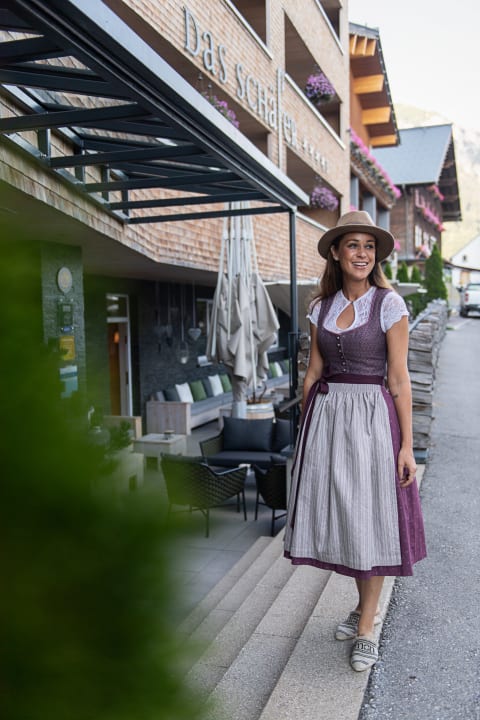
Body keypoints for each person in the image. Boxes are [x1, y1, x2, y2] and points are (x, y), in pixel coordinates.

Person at [284, 210, 426, 672]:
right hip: (328, 421)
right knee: (347, 518)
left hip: (371, 420)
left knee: (372, 518)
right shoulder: (320, 308)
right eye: (353, 245)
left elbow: (399, 380)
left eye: (369, 246)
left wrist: (406, 446)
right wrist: (307, 430)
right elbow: (313, 372)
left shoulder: (389, 305)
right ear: (336, 252)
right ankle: (364, 607)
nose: (362, 254)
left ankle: (367, 626)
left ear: (376, 255)